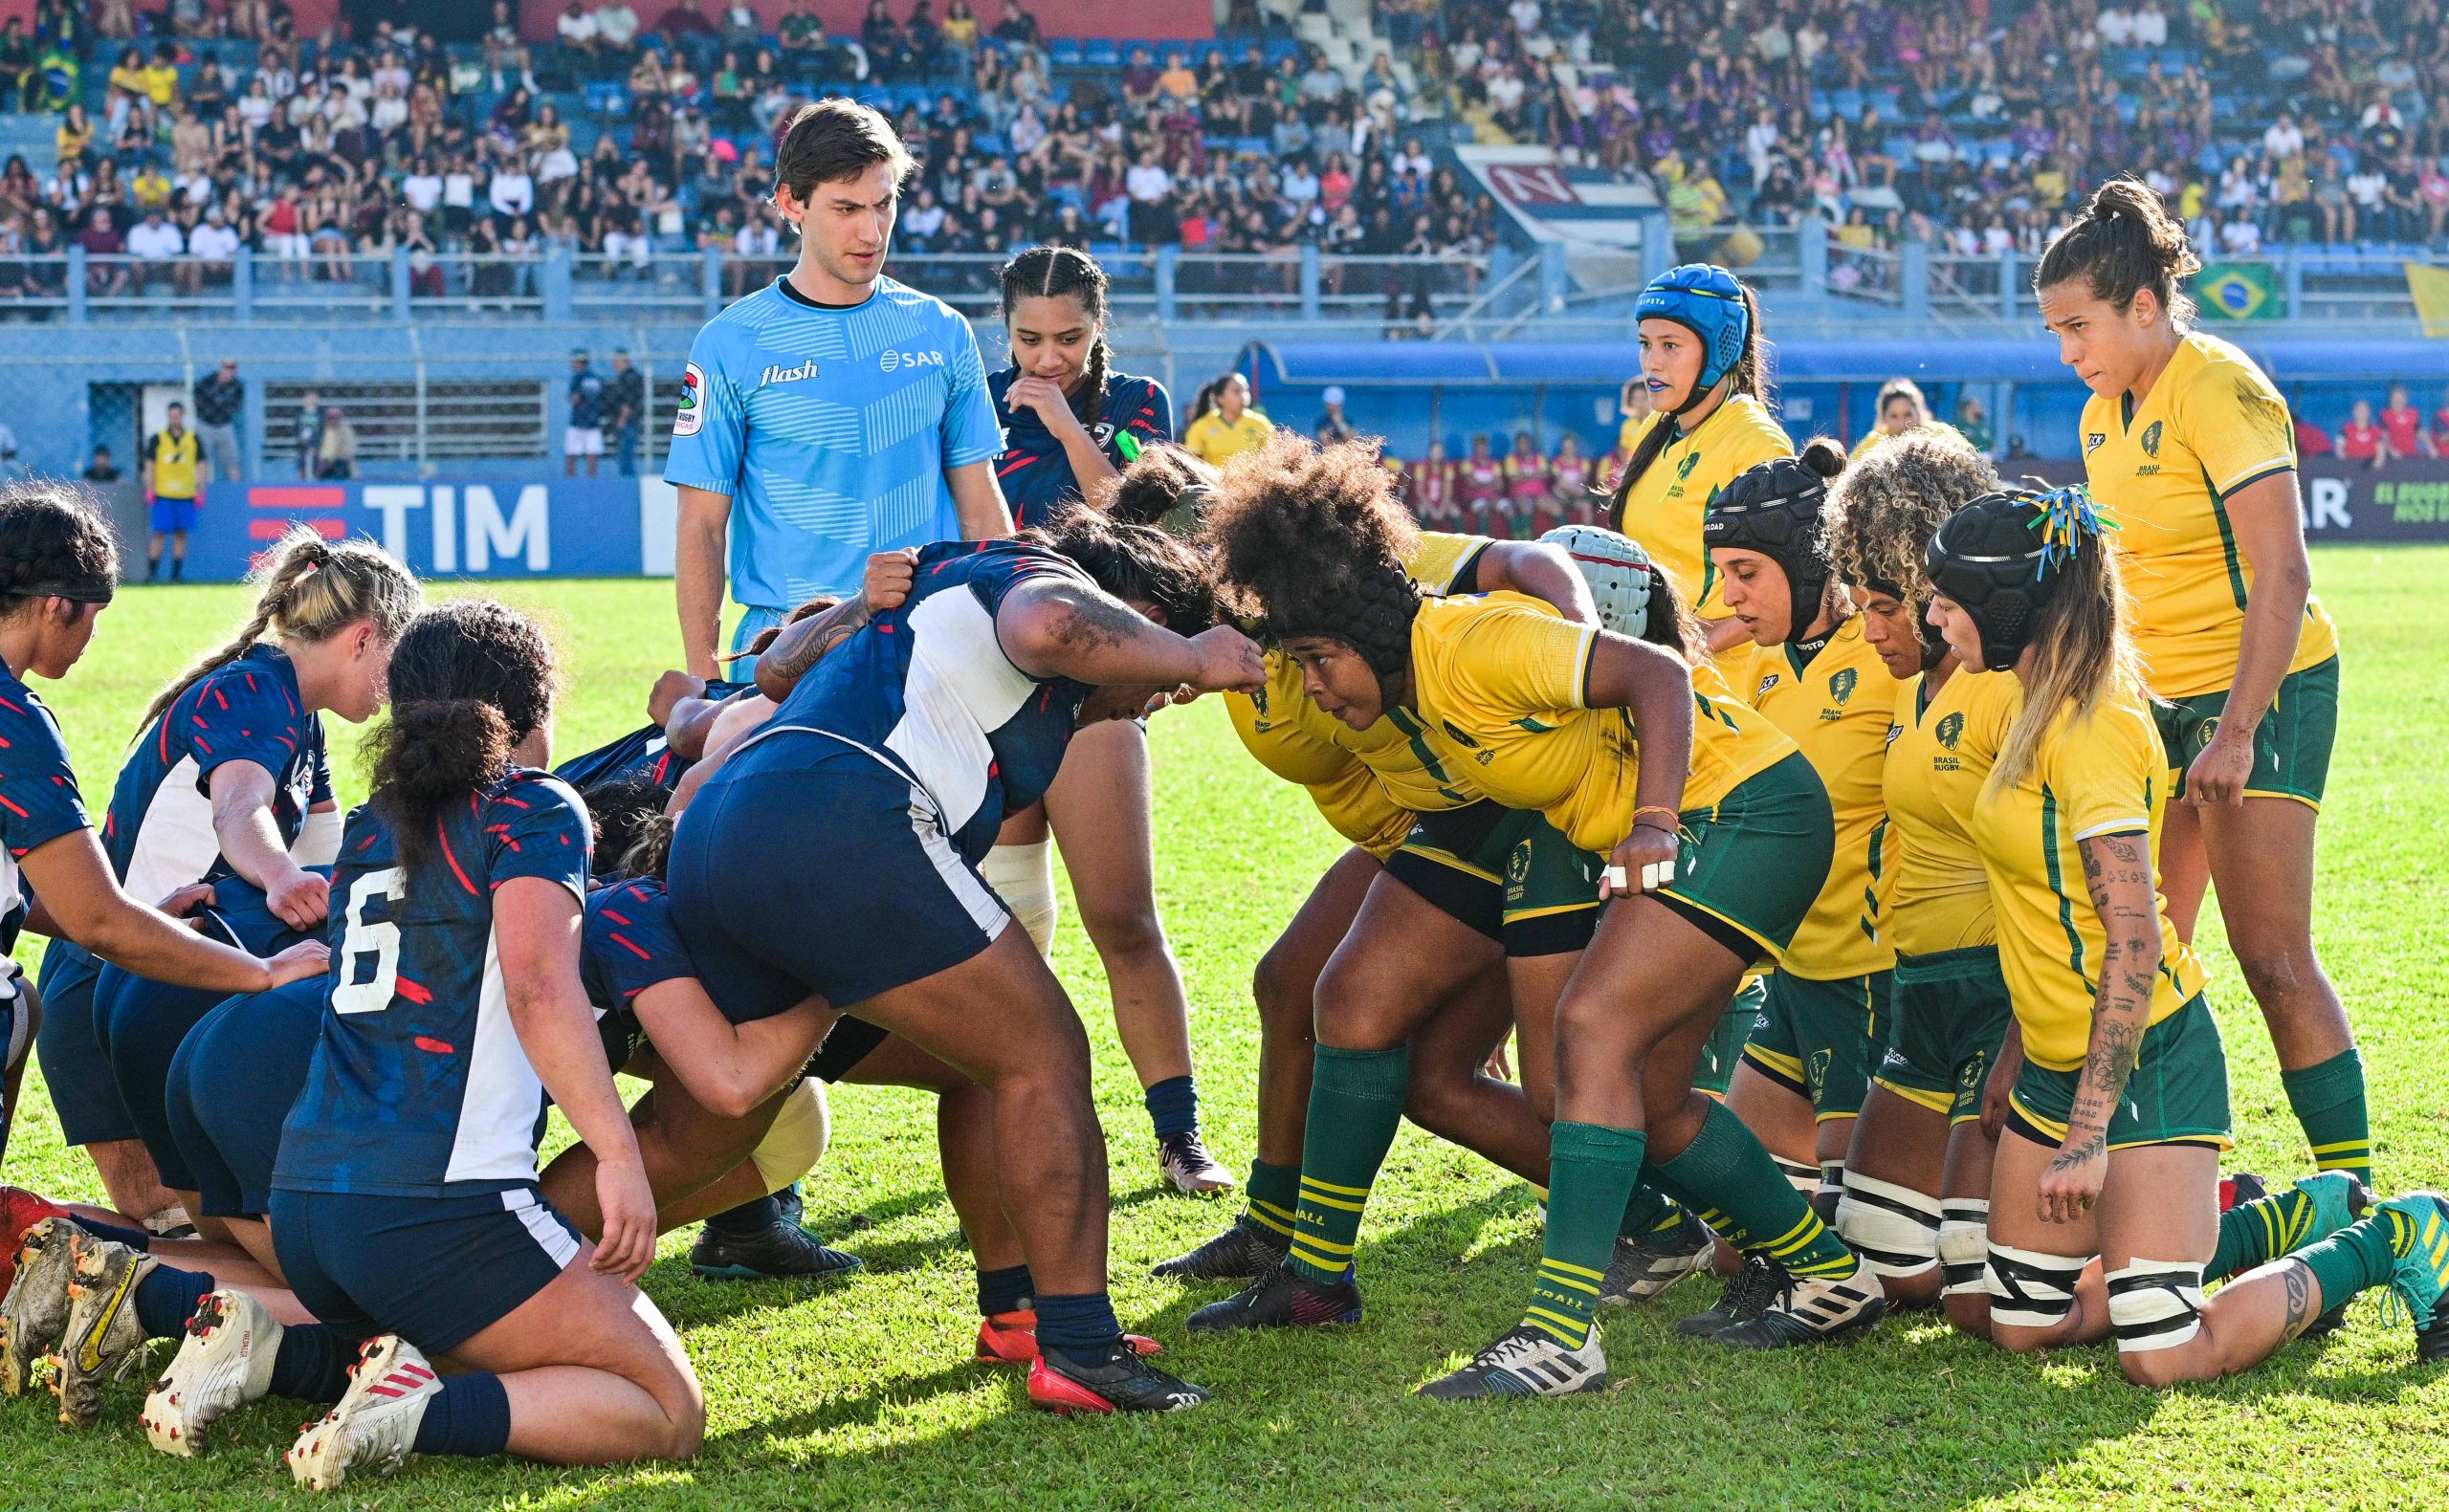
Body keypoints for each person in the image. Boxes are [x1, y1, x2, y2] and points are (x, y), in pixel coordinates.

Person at [1188, 437, 1878, 1396]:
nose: (1308, 687)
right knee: (1656, 1106)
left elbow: (1657, 675)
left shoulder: (1474, 645)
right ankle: (1830, 1278)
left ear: (1363, 639)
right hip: (1710, 823)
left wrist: (1651, 821)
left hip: (1750, 811)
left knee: (1594, 1031)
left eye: (1315, 662)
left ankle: (1561, 1337)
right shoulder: (1414, 696)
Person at [666, 515, 1263, 1413]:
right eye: (1155, 673)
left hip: (728, 831)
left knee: (728, 1116)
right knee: (1045, 1053)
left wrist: (852, 615)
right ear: (1129, 605)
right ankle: (1081, 1348)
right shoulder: (1037, 575)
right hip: (835, 819)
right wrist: (1193, 653)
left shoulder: (939, 601)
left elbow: (781, 670)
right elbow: (1054, 624)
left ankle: (492, 1279)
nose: (1156, 698)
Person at [1923, 485, 2449, 1380]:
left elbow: (2132, 941)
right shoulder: (2021, 700)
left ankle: (2399, 1233)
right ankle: (2272, 1221)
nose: (1934, 614)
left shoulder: (2091, 728)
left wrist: (2088, 1132)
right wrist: (2021, 1050)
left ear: (2013, 607)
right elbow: (2041, 911)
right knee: (2018, 1323)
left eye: (1948, 595)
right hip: (2059, 1059)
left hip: (2147, 1061)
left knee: (2160, 1353)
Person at [218, 599, 700, 1485]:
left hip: (308, 1206)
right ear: (530, 712)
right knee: (667, 1410)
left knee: (478, 1344)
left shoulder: (370, 826)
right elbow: (539, 986)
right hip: (434, 1208)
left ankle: (282, 1357)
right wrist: (619, 1153)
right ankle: (410, 1415)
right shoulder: (533, 808)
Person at [2038, 181, 2372, 1285]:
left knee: (2271, 956)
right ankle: (2174, 1188)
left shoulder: (2218, 386)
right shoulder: (2101, 412)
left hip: (2260, 697)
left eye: (2079, 325)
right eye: (2055, 332)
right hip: (2159, 709)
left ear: (2142, 305)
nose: (2068, 350)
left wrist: (2231, 732)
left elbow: (2283, 573)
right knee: (2150, 958)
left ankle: (2360, 1195)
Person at [35, 527, 417, 1228]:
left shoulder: (300, 719)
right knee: (170, 1218)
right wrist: (277, 875)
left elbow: (333, 856)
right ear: (362, 639)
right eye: (399, 659)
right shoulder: (254, 693)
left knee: (204, 1216)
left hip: (161, 972)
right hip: (111, 976)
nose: (398, 689)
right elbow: (239, 810)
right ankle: (27, 1237)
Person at [0, 486, 330, 1197]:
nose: (92, 639)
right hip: (80, 988)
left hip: (47, 989)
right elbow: (97, 921)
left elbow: (33, 896)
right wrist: (262, 974)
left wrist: (144, 912)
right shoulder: (14, 722)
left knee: (21, 1001)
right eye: (94, 616)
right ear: (58, 606)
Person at [982, 246, 1225, 1188]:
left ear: (1098, 329)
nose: (1048, 357)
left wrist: (1062, 418)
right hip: (992, 678)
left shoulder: (1138, 408)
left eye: (1069, 338)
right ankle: (1012, 1121)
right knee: (1002, 926)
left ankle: (1179, 1133)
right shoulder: (972, 402)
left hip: (1100, 686)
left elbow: (1136, 526)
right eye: (1029, 340)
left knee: (1121, 915)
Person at [668, 99, 1010, 679]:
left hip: (928, 633)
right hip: (787, 644)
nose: (871, 230)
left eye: (884, 204)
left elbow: (980, 503)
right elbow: (701, 524)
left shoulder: (942, 330)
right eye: (846, 208)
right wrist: (704, 680)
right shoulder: (731, 343)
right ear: (790, 203)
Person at [1819, 427, 2019, 1316]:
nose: (1870, 630)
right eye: (1859, 604)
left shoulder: (2011, 685)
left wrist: (2028, 1036)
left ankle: (2251, 1218)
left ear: (1939, 589)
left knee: (1985, 1300)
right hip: (1920, 1003)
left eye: (1885, 607)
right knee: (1893, 1269)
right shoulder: (1910, 681)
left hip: (2007, 1004)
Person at [1706, 442, 1900, 1257]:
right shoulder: (1750, 665)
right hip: (1794, 971)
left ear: (1807, 563)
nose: (1728, 594)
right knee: (1732, 1238)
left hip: (1867, 972)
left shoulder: (1888, 655)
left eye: (1747, 571)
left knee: (1872, 1246)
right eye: (1721, 571)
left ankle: (2221, 1214)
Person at [1609, 264, 1795, 646]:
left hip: (1727, 684)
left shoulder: (1756, 444)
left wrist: (1690, 648)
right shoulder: (1654, 429)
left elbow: (1784, 590)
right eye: (1645, 343)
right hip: (1659, 667)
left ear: (1720, 350)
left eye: (1670, 345)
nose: (1652, 363)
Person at [142, 402, 204, 583]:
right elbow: (150, 465)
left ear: (182, 416)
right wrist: (150, 488)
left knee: (181, 534)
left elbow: (201, 465)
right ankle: (152, 574)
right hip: (163, 493)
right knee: (159, 533)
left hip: (186, 494)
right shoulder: (158, 439)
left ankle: (176, 575)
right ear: (168, 417)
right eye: (172, 415)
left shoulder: (192, 439)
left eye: (177, 415)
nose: (174, 419)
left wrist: (200, 490)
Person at [1848, 377, 1964, 461]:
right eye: (1894, 416)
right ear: (1883, 417)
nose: (1902, 423)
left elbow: (1968, 458)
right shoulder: (1873, 442)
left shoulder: (1940, 434)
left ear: (1918, 413)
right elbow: (1849, 472)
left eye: (1907, 414)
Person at [1181, 372, 1272, 466]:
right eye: (1236, 391)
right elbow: (1191, 462)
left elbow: (1273, 458)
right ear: (1220, 398)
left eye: (1246, 390)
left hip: (1252, 480)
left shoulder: (1260, 423)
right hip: (1214, 480)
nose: (1244, 397)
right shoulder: (1202, 426)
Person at [192, 360, 244, 483]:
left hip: (224, 424)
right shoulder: (207, 382)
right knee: (202, 460)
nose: (229, 371)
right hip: (206, 423)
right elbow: (197, 400)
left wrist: (225, 411)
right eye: (226, 367)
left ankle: (236, 491)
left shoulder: (236, 386)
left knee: (232, 461)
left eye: (232, 369)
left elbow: (236, 405)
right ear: (221, 368)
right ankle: (201, 490)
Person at [604, 349, 647, 477]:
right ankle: (627, 477)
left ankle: (627, 479)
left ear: (625, 361)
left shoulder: (628, 378)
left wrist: (622, 419)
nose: (614, 364)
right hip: (631, 420)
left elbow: (628, 401)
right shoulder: (632, 376)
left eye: (617, 361)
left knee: (625, 453)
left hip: (628, 421)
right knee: (625, 453)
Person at [566, 349, 606, 478]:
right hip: (593, 420)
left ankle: (570, 482)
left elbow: (574, 398)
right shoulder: (597, 378)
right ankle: (592, 481)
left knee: (571, 455)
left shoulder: (577, 378)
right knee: (592, 456)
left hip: (578, 421)